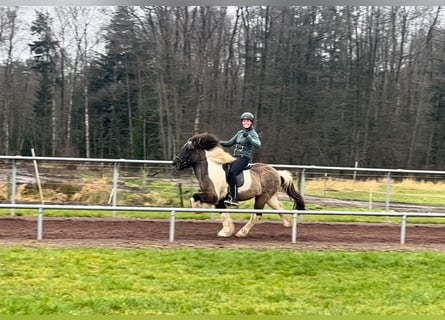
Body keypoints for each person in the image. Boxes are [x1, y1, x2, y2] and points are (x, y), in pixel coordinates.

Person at [220, 112, 261, 206]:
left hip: (244, 158)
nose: (245, 122)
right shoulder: (240, 133)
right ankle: (225, 192)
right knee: (224, 168)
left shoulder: (253, 133)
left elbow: (258, 145)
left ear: (251, 122)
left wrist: (249, 137)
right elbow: (229, 143)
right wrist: (217, 142)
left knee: (232, 172)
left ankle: (234, 198)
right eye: (244, 121)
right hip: (236, 157)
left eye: (248, 121)